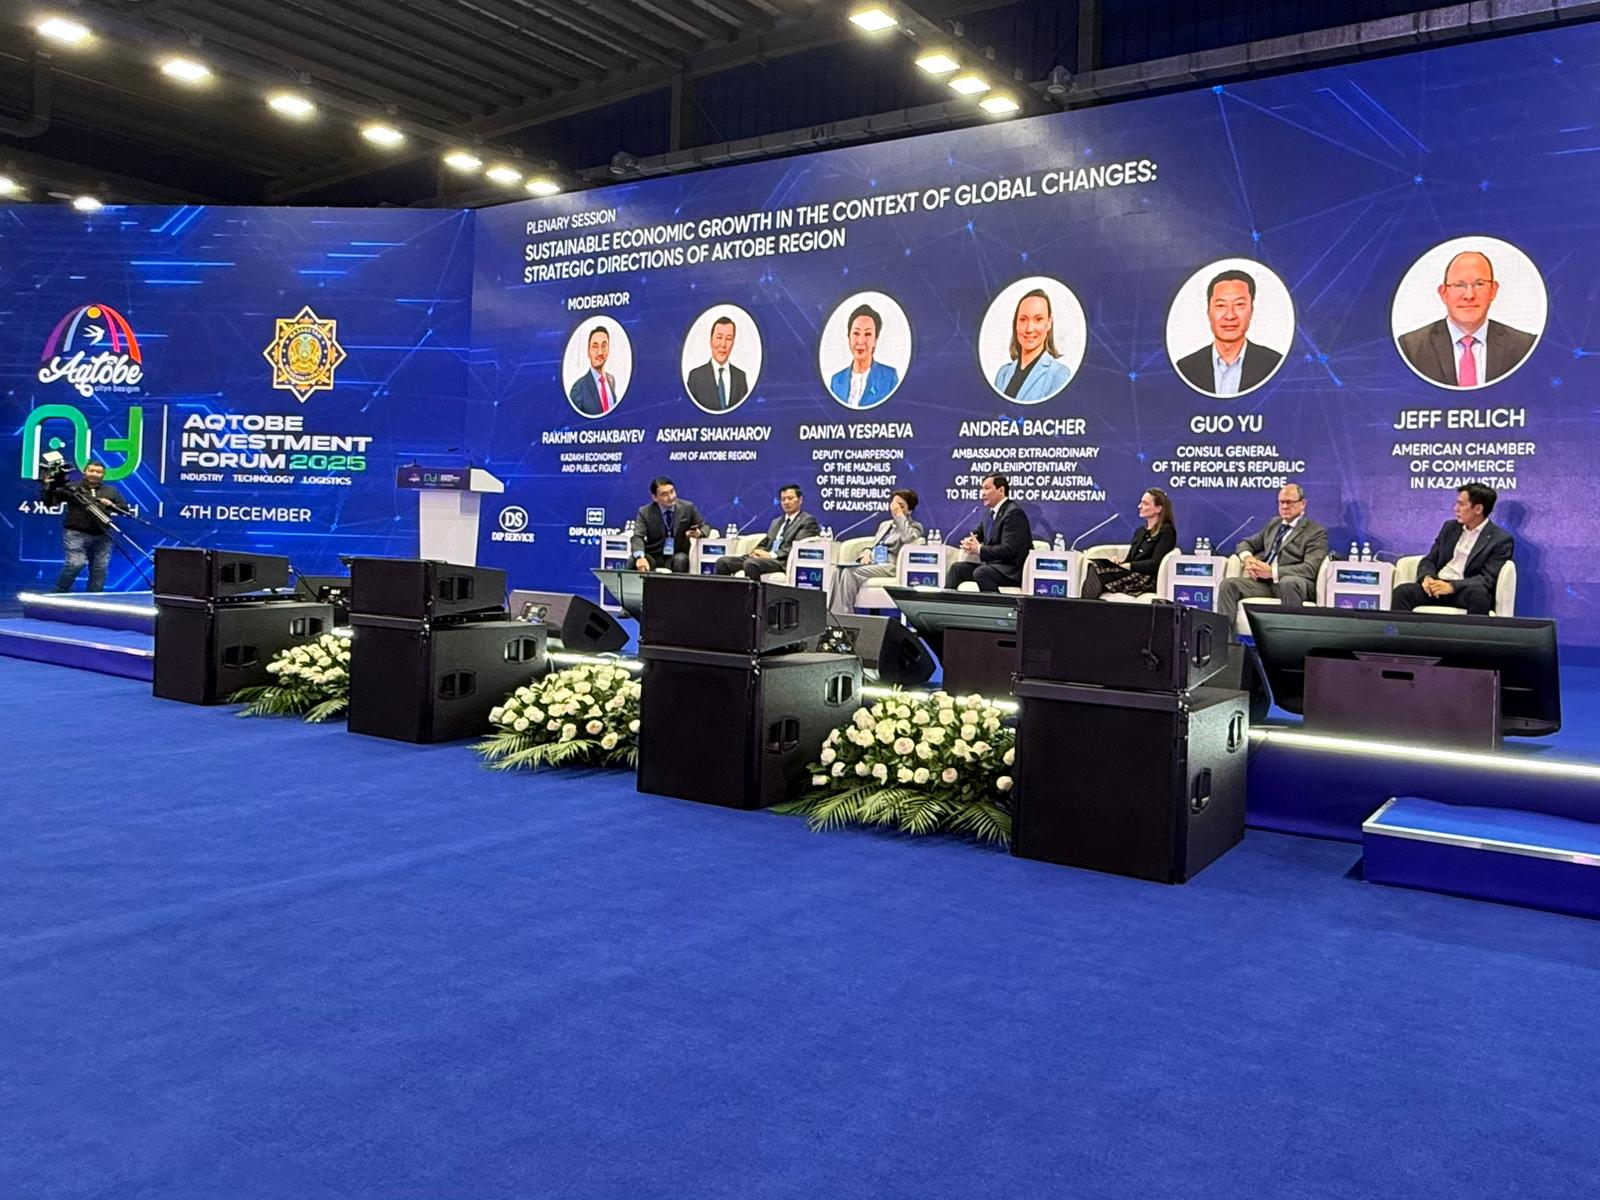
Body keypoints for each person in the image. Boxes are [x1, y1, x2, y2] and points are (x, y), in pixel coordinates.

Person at [1397, 250, 1536, 388]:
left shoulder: (1525, 347)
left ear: (1493, 290)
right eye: (1459, 285)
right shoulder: (1410, 349)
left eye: (1479, 284)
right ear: (1443, 293)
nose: (1469, 295)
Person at [1390, 483, 1513, 615]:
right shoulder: (1449, 528)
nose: (1456, 509)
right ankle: (1400, 629)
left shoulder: (1500, 539)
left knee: (1479, 596)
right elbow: (1430, 559)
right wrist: (1427, 577)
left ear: (1478, 509)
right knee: (1402, 592)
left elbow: (1487, 579)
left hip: (1465, 590)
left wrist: (1452, 587)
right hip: (1437, 586)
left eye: (1461, 504)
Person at [1216, 484, 1328, 624]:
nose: (1285, 506)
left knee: (1289, 582)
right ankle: (1224, 637)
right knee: (1228, 585)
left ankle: (1288, 636)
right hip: (1265, 584)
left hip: (1294, 585)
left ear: (1302, 504)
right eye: (1281, 502)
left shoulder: (1315, 532)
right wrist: (1248, 558)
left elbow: (1310, 568)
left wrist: (1272, 572)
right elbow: (1246, 543)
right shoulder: (1274, 524)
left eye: (1290, 502)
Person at [1175, 269, 1284, 397]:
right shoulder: (1185, 368)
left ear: (1251, 310)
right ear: (1208, 312)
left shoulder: (1275, 365)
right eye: (1221, 306)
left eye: (1239, 304)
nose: (1230, 315)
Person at [830, 488, 925, 613]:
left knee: (849, 572)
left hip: (890, 566)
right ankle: (830, 614)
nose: (895, 509)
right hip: (873, 562)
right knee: (837, 570)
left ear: (909, 510)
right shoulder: (885, 525)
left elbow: (908, 539)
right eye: (894, 504)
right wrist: (866, 554)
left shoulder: (915, 526)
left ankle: (842, 615)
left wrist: (900, 517)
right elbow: (872, 545)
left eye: (901, 506)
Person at [44, 459, 127, 593]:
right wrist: (48, 487)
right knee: (76, 563)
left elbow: (125, 509)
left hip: (103, 535)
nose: (94, 474)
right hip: (76, 533)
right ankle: (60, 591)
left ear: (103, 474)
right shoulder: (72, 488)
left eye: (98, 472)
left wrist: (111, 505)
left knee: (100, 569)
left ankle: (95, 598)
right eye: (91, 470)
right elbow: (50, 503)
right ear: (85, 471)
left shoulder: (111, 491)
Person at [1081, 489, 1178, 599]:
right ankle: (1089, 607)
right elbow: (1130, 559)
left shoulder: (1167, 531)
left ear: (1158, 509)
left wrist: (1128, 566)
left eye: (1145, 503)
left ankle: (1084, 608)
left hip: (1147, 579)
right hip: (1131, 574)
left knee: (1096, 569)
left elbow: (1155, 563)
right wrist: (1119, 562)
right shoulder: (1140, 532)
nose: (1139, 506)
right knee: (1095, 565)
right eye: (1141, 502)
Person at [944, 474, 1033, 592]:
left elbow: (1008, 549)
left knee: (982, 573)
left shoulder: (1013, 513)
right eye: (982, 489)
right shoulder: (989, 514)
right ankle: (947, 603)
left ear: (1001, 490)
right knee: (957, 569)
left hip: (1010, 571)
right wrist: (969, 542)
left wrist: (979, 549)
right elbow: (977, 534)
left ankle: (997, 604)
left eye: (987, 488)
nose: (982, 493)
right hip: (992, 567)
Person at [715, 483, 820, 580]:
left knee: (751, 564)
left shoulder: (807, 521)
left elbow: (797, 547)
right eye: (783, 499)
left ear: (800, 500)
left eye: (790, 498)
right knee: (723, 562)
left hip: (781, 561)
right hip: (764, 559)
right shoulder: (776, 522)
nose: (786, 502)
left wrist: (770, 555)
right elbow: (766, 541)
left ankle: (754, 595)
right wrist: (757, 551)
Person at [991, 288, 1073, 403]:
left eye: (1038, 319)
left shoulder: (1058, 375)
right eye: (1023, 319)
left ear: (1049, 323)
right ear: (1016, 324)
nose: (1029, 329)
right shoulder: (1002, 374)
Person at [828, 304, 900, 409]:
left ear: (875, 340)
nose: (861, 341)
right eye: (856, 333)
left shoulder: (889, 378)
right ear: (849, 337)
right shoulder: (836, 381)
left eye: (868, 334)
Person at [630, 477, 706, 573]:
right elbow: (637, 536)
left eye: (672, 491)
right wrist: (640, 557)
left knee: (681, 559)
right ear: (655, 498)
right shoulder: (645, 512)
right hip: (653, 556)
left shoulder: (687, 508)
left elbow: (704, 526)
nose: (671, 497)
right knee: (634, 560)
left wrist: (700, 533)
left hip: (677, 554)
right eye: (664, 494)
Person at [686, 316, 749, 413]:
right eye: (719, 337)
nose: (723, 344)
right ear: (711, 340)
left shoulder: (740, 377)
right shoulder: (695, 377)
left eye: (728, 339)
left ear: (733, 342)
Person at [568, 325, 621, 417]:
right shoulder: (579, 388)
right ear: (588, 352)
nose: (600, 352)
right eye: (595, 347)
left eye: (604, 346)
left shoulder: (611, 380)